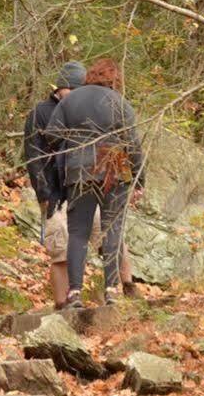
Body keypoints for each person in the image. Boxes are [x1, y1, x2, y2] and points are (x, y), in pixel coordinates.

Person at [47, 57, 145, 309]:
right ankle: (112, 289)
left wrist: (75, 145)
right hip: (115, 168)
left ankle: (75, 293)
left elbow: (52, 136)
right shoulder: (119, 103)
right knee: (112, 230)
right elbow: (133, 144)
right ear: (115, 80)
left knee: (78, 234)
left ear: (88, 77)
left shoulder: (70, 100)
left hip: (79, 170)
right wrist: (139, 179)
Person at [22, 61, 85, 307]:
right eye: (73, 89)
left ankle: (92, 295)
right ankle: (61, 303)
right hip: (53, 191)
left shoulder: (82, 112)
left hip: (81, 188)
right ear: (61, 88)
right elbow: (32, 154)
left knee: (88, 244)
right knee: (60, 248)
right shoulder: (40, 112)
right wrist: (43, 192)